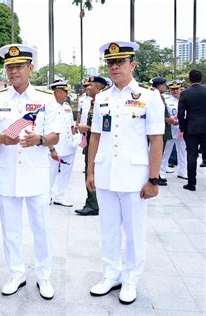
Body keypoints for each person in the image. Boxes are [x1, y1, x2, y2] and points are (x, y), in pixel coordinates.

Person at [87, 41, 164, 305]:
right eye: (110, 63)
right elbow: (95, 136)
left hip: (134, 176)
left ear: (133, 64)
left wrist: (153, 179)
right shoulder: (103, 98)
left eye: (120, 62)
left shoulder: (148, 96)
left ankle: (130, 278)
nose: (115, 67)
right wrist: (90, 171)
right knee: (108, 228)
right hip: (106, 171)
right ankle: (111, 273)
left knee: (133, 230)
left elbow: (156, 140)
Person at [0, 44, 60, 300]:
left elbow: (55, 136)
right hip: (8, 173)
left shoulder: (45, 98)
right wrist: (3, 139)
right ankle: (16, 274)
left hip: (36, 173)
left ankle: (44, 276)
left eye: (18, 66)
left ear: (30, 68)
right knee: (11, 229)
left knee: (41, 227)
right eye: (9, 67)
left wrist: (39, 140)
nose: (13, 71)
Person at [75, 76, 108, 216]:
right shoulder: (94, 102)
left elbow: (104, 127)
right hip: (91, 142)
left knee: (93, 171)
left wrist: (86, 128)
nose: (87, 88)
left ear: (98, 88)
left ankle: (93, 204)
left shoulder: (104, 103)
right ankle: (94, 202)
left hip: (98, 144)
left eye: (90, 85)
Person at [48, 80, 77, 208]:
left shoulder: (67, 107)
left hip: (69, 145)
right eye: (64, 92)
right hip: (55, 146)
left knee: (66, 172)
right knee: (51, 172)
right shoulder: (49, 107)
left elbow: (71, 125)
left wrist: (76, 138)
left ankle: (60, 196)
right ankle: (47, 195)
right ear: (57, 92)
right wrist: (51, 148)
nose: (66, 95)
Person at [178, 69, 206, 191]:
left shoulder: (185, 93)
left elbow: (180, 113)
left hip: (191, 128)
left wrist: (182, 127)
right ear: (201, 78)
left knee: (191, 155)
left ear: (189, 79)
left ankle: (191, 184)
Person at [160, 80, 187, 181]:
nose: (175, 91)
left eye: (177, 89)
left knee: (183, 151)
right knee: (166, 151)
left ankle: (182, 171)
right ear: (169, 90)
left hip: (182, 129)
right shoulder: (166, 100)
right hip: (169, 129)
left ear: (181, 88)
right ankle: (161, 172)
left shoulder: (184, 99)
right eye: (173, 89)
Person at [150, 77, 174, 186]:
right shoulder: (153, 97)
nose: (165, 87)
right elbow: (154, 115)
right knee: (157, 153)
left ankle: (158, 174)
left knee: (162, 153)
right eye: (163, 85)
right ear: (158, 86)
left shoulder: (160, 97)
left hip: (164, 129)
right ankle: (155, 175)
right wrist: (167, 120)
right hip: (159, 129)